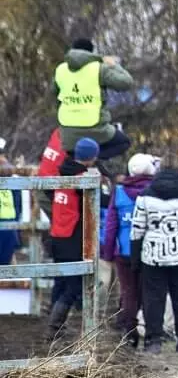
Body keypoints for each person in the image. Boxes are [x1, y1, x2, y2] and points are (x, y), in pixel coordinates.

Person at [131, 154, 178, 354]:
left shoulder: (145, 194)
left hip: (152, 253)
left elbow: (137, 227)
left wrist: (135, 258)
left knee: (154, 298)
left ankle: (154, 340)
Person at [45, 137, 100, 340]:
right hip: (73, 235)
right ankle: (55, 325)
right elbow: (100, 201)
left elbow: (48, 192)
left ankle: (54, 326)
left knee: (60, 280)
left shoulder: (59, 171)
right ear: (92, 156)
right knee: (75, 284)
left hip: (57, 233)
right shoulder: (82, 178)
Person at [102, 153, 158, 347]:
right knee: (149, 292)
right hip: (150, 250)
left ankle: (129, 333)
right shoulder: (155, 191)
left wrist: (107, 252)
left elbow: (110, 226)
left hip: (124, 251)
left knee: (128, 293)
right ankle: (151, 334)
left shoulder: (118, 192)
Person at [54, 38, 134, 161]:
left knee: (74, 154)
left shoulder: (61, 70)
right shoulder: (99, 69)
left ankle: (79, 163)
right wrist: (113, 65)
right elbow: (126, 83)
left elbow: (54, 92)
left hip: (68, 136)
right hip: (96, 131)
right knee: (123, 142)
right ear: (91, 52)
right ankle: (92, 160)